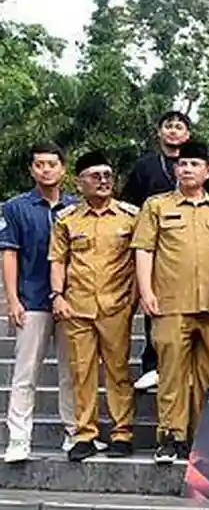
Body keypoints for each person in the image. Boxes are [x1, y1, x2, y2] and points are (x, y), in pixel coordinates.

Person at [131, 140, 209, 464]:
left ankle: (201, 437)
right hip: (171, 303)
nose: (187, 169)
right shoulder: (157, 206)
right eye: (182, 164)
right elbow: (144, 249)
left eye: (194, 165)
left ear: (208, 171)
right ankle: (171, 437)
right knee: (171, 374)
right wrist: (146, 292)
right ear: (175, 169)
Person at [49, 151, 139, 462]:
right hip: (78, 306)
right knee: (81, 372)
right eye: (95, 175)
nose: (103, 181)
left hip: (116, 305)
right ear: (79, 182)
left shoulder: (130, 216)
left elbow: (140, 259)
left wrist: (134, 300)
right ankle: (85, 433)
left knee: (118, 371)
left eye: (107, 175)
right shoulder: (67, 219)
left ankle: (122, 432)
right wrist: (57, 295)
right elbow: (58, 260)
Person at [121, 110, 209, 394]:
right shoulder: (146, 166)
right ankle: (152, 365)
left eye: (179, 127)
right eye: (169, 126)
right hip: (154, 240)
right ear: (160, 132)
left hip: (193, 243)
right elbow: (127, 203)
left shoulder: (202, 166)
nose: (174, 131)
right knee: (157, 306)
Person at [1, 143, 79, 463]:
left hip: (71, 302)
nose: (46, 169)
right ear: (32, 170)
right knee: (25, 373)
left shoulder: (77, 207)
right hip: (32, 299)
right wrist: (12, 299)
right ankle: (19, 438)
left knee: (71, 372)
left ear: (63, 168)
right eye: (39, 165)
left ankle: (74, 432)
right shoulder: (15, 207)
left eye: (51, 164)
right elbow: (8, 253)